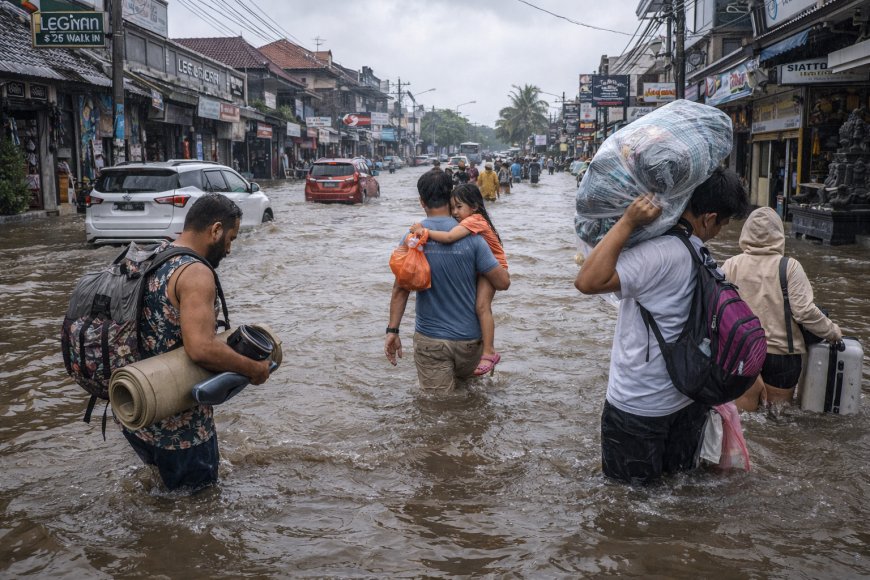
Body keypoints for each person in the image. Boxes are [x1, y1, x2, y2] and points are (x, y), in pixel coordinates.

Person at [575, 167, 751, 485]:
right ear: (709, 218)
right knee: (675, 491)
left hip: (638, 406)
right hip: (689, 399)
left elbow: (587, 281)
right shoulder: (700, 253)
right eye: (723, 224)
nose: (720, 231)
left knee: (627, 507)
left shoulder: (659, 253)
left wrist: (628, 221)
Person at [121, 193, 272, 491]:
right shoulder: (196, 273)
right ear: (215, 230)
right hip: (181, 428)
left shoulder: (155, 253)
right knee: (200, 507)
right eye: (230, 238)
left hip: (139, 411)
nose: (229, 249)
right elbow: (201, 348)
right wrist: (254, 369)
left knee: (164, 499)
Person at [385, 171, 510, 394]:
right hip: (470, 342)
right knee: (472, 399)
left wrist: (392, 331)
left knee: (438, 409)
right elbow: (502, 282)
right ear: (450, 197)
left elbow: (400, 289)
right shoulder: (473, 236)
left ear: (422, 201)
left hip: (431, 341)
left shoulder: (412, 238)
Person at [722, 207, 842, 411]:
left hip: (743, 352)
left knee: (746, 423)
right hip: (781, 357)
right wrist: (833, 332)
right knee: (779, 421)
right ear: (778, 233)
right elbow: (805, 312)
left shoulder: (730, 265)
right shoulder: (789, 267)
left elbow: (721, 311)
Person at [410, 183, 508, 376]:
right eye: (452, 207)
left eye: (459, 207)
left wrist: (423, 232)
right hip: (487, 267)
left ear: (474, 207)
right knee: (480, 306)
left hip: (495, 266)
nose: (454, 212)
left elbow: (448, 238)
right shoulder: (473, 221)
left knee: (482, 306)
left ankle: (489, 352)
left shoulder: (474, 221)